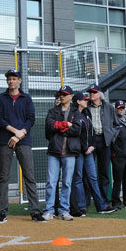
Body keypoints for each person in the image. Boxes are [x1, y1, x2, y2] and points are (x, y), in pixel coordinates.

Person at [0, 69, 45, 223]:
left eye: (14, 78)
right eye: (9, 78)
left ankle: (35, 212)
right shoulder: (0, 98)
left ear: (20, 81)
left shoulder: (26, 98)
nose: (11, 81)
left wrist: (20, 134)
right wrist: (14, 132)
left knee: (29, 176)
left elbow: (31, 119)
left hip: (23, 140)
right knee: (4, 177)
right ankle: (1, 212)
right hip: (5, 140)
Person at [70, 91, 116, 215]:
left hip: (89, 150)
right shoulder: (72, 115)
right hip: (79, 151)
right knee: (79, 178)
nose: (87, 100)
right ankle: (81, 207)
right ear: (78, 101)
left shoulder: (86, 113)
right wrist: (85, 147)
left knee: (93, 177)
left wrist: (92, 146)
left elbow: (91, 132)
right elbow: (75, 134)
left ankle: (101, 206)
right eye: (84, 99)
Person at [43, 85, 81, 221]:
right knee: (51, 182)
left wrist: (60, 127)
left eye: (65, 94)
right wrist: (66, 124)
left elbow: (77, 130)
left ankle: (64, 210)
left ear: (71, 96)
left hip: (70, 152)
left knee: (67, 183)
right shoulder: (52, 111)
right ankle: (49, 210)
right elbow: (50, 126)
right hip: (54, 151)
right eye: (60, 94)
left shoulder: (76, 113)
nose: (62, 96)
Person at [86, 84, 116, 202]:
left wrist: (111, 137)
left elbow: (116, 125)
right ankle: (87, 200)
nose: (91, 94)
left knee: (103, 172)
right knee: (88, 172)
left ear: (99, 94)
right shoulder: (86, 107)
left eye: (94, 92)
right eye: (90, 93)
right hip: (90, 142)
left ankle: (103, 200)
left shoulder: (109, 107)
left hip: (104, 141)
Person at [111, 101, 126, 209]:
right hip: (118, 155)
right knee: (118, 180)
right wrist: (115, 152)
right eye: (119, 108)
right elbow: (111, 139)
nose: (121, 109)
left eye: (122, 108)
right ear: (115, 109)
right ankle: (116, 202)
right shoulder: (114, 122)